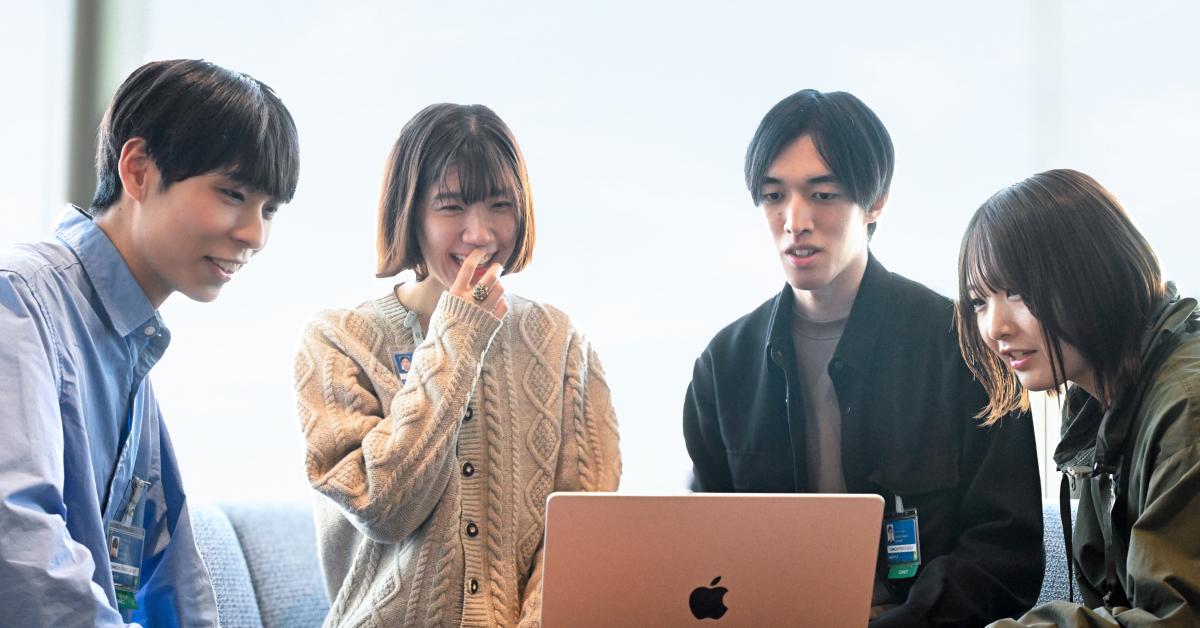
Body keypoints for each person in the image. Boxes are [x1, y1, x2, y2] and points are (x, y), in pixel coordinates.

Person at [682, 89, 1044, 626]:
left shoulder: (966, 347)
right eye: (774, 196)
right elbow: (700, 547)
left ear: (876, 202)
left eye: (823, 194)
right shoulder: (723, 366)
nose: (794, 220)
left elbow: (1006, 553)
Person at [295, 103, 621, 627]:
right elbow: (383, 508)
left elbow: (584, 532)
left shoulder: (562, 343)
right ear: (410, 214)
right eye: (451, 207)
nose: (480, 234)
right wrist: (459, 336)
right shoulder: (337, 340)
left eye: (500, 206)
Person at [0, 59, 300, 626]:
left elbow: (167, 569)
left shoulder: (129, 341)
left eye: (269, 210)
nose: (254, 235)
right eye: (232, 193)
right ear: (137, 170)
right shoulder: (20, 298)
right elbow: (17, 539)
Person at [958, 169, 1200, 627]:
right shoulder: (1095, 403)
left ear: (1098, 272)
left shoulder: (1187, 407)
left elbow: (1175, 621)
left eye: (1020, 292)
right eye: (978, 302)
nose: (995, 327)